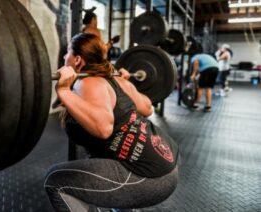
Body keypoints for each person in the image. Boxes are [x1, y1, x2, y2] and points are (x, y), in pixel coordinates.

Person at [44, 33, 179, 211]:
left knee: (56, 181)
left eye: (67, 51)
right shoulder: (115, 80)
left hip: (147, 176)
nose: (63, 56)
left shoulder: (87, 82)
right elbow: (147, 107)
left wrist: (64, 91)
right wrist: (127, 82)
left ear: (77, 60)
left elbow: (103, 128)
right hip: (166, 164)